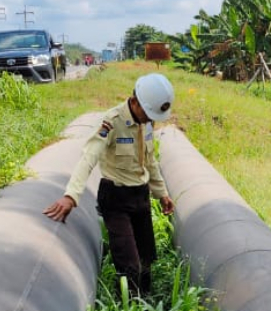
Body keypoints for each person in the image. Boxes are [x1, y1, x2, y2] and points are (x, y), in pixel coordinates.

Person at [43, 73, 176, 297]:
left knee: (146, 261)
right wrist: (71, 195)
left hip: (140, 197)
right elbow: (89, 157)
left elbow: (150, 161)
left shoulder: (147, 123)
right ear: (135, 102)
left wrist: (162, 193)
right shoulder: (111, 122)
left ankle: (145, 301)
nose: (149, 119)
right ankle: (127, 302)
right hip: (116, 200)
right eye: (148, 113)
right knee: (129, 264)